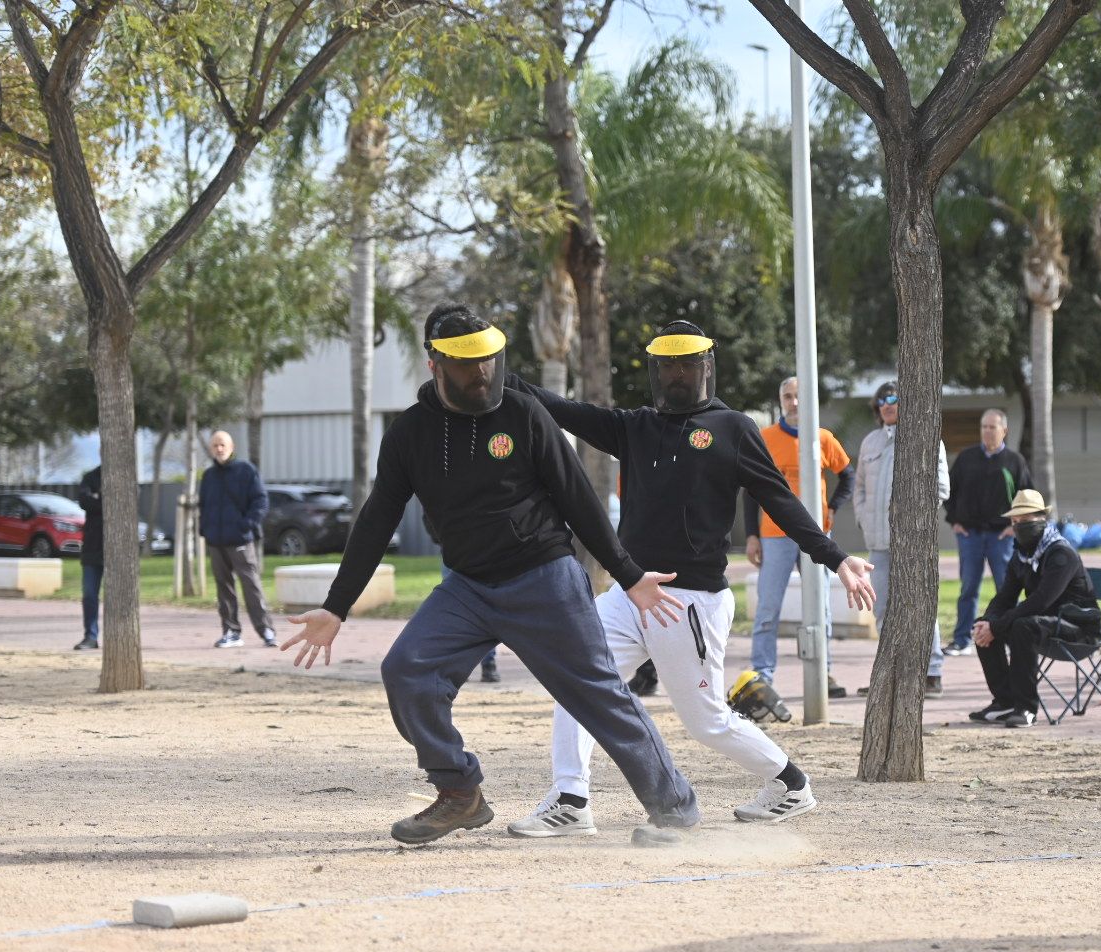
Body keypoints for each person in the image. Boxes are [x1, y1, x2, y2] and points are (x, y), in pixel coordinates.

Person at [282, 302, 700, 847]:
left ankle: (675, 812)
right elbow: (376, 518)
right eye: (466, 364)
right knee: (408, 672)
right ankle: (460, 792)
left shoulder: (525, 414)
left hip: (544, 577)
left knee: (598, 696)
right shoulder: (411, 433)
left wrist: (627, 574)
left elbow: (578, 498)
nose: (481, 373)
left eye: (488, 360)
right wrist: (337, 606)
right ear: (436, 364)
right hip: (467, 586)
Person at [507, 321, 875, 837]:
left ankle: (790, 784)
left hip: (689, 602)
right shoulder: (633, 426)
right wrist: (492, 371)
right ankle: (571, 799)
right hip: (631, 591)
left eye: (689, 365)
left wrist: (836, 559)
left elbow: (779, 501)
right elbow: (561, 408)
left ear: (707, 366)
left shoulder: (733, 428)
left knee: (703, 720)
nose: (678, 375)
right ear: (655, 371)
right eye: (668, 366)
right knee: (576, 681)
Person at [744, 375, 856, 700]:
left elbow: (847, 476)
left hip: (816, 536)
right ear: (781, 401)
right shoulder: (764, 439)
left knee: (820, 607)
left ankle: (824, 670)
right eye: (788, 397)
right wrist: (751, 535)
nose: (793, 403)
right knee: (767, 608)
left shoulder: (822, 438)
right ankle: (762, 676)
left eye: (798, 396)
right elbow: (749, 491)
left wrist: (832, 507)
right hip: (774, 535)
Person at [854, 379, 950, 696]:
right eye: (881, 400)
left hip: (913, 546)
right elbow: (860, 490)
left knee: (921, 607)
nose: (887, 403)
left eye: (893, 397)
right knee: (881, 609)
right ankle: (889, 675)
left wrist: (917, 526)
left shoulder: (926, 437)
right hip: (878, 546)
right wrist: (863, 518)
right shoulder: (870, 442)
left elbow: (941, 489)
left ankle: (932, 673)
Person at [970, 490, 1096, 729]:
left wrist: (997, 625)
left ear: (1042, 519)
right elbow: (1005, 596)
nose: (1019, 526)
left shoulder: (1061, 553)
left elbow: (1041, 601)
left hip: (1078, 628)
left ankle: (1026, 707)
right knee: (983, 625)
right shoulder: (1021, 556)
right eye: (1015, 521)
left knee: (1022, 626)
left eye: (1026, 520)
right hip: (1045, 624)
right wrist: (988, 622)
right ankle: (1005, 701)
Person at [943, 408, 1032, 657]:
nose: (987, 431)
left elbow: (1026, 497)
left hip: (1001, 537)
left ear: (1004, 430)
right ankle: (962, 640)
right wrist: (954, 521)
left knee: (1006, 589)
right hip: (969, 535)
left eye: (992, 427)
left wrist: (1013, 527)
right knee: (968, 588)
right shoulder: (966, 458)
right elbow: (948, 491)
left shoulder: (1015, 461)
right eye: (984, 426)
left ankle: (1007, 636)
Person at [199, 430, 276, 648]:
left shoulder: (246, 471)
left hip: (241, 540)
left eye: (222, 445)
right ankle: (231, 632)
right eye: (215, 445)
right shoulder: (208, 476)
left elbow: (261, 501)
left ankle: (267, 630)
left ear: (231, 447)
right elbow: (203, 506)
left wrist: (246, 525)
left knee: (251, 585)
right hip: (216, 541)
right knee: (224, 588)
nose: (219, 449)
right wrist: (205, 530)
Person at [422, 511, 499, 682]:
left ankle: (484, 664)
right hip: (458, 551)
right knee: (471, 609)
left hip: (467, 551)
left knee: (464, 610)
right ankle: (484, 664)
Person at [74, 464, 104, 650]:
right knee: (89, 594)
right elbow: (84, 502)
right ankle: (90, 636)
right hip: (92, 545)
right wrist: (105, 500)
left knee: (118, 597)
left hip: (119, 549)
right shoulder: (90, 477)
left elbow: (129, 502)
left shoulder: (127, 475)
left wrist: (98, 497)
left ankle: (120, 637)